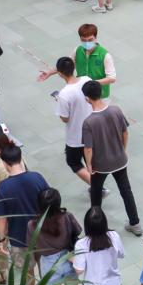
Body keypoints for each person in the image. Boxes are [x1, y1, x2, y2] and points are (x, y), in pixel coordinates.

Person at [80, 81, 142, 235]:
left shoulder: (88, 122)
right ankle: (135, 223)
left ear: (87, 98)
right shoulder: (116, 110)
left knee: (96, 194)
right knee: (126, 191)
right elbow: (125, 132)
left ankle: (96, 228)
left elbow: (88, 148)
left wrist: (89, 165)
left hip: (100, 165)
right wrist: (122, 150)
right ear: (101, 92)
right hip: (120, 160)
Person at [47, 58, 95, 190]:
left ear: (60, 73)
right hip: (92, 130)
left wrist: (59, 102)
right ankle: (96, 183)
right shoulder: (87, 79)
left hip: (76, 136)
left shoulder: (64, 94)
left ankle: (97, 186)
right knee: (90, 160)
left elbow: (65, 118)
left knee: (73, 162)